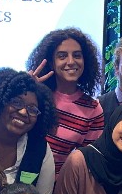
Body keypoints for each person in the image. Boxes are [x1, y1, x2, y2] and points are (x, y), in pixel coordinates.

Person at [26, 27, 105, 175]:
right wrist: (25, 90)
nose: (71, 61)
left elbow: (88, 164)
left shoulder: (93, 109)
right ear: (51, 63)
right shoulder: (36, 96)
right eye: (62, 56)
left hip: (58, 185)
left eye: (77, 55)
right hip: (18, 179)